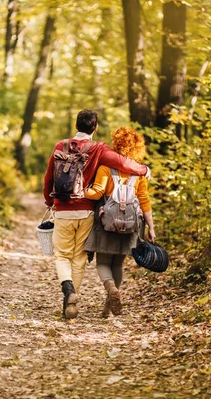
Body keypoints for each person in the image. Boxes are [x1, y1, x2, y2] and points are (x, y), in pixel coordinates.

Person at [43, 110, 150, 320]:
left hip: (63, 209)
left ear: (76, 125)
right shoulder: (98, 149)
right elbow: (122, 162)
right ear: (95, 127)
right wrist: (143, 169)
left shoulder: (60, 146)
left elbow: (49, 177)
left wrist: (50, 201)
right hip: (85, 211)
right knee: (80, 257)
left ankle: (68, 292)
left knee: (62, 255)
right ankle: (73, 297)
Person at [83, 126, 155, 318]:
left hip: (107, 223)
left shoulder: (106, 168)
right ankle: (108, 308)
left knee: (103, 263)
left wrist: (82, 191)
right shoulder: (139, 173)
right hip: (130, 224)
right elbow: (144, 201)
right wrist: (151, 228)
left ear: (117, 143)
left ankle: (111, 289)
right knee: (118, 265)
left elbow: (97, 192)